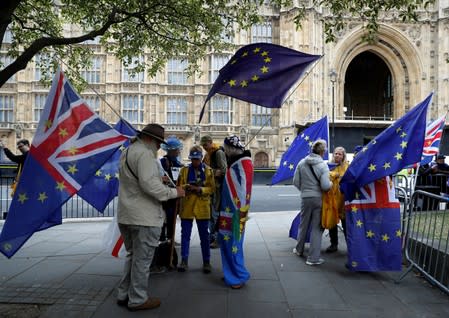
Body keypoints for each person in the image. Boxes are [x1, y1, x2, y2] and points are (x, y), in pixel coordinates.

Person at [116, 123, 185, 311]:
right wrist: (174, 193)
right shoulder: (145, 154)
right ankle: (138, 299)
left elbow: (140, 180)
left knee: (132, 256)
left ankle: (124, 293)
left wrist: (157, 179)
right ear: (150, 139)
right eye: (158, 143)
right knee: (142, 260)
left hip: (127, 214)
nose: (158, 148)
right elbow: (149, 186)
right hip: (144, 217)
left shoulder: (128, 151)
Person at [218, 135, 253, 289]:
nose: (224, 152)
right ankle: (230, 273)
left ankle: (238, 276)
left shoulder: (241, 164)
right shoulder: (239, 162)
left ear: (230, 149)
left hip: (234, 212)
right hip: (230, 212)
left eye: (225, 149)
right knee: (227, 242)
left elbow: (240, 190)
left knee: (233, 243)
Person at [176, 146, 215, 273]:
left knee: (204, 236)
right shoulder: (184, 170)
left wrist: (200, 189)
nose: (195, 162)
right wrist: (186, 187)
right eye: (193, 159)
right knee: (185, 235)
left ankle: (207, 262)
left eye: (197, 159)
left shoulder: (208, 171)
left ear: (201, 158)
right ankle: (184, 260)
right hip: (187, 207)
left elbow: (212, 189)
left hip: (202, 208)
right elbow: (178, 187)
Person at [293, 139, 332, 265]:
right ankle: (313, 258)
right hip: (318, 199)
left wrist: (304, 191)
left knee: (303, 224)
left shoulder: (301, 162)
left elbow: (295, 182)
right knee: (316, 228)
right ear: (323, 151)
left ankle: (299, 250)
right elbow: (326, 186)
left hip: (305, 197)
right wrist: (331, 183)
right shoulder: (323, 165)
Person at [201, 135, 227, 248]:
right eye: (203, 146)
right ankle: (212, 236)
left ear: (211, 142)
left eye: (205, 145)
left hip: (218, 188)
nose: (204, 147)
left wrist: (213, 172)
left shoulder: (218, 153)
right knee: (210, 214)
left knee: (216, 214)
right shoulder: (208, 154)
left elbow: (224, 170)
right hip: (210, 187)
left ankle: (217, 238)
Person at [159, 136, 184, 243]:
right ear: (171, 150)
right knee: (165, 217)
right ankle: (162, 238)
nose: (179, 152)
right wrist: (162, 179)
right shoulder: (162, 162)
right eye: (177, 150)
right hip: (166, 194)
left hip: (176, 193)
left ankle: (171, 237)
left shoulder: (178, 163)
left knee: (172, 218)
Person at [325, 146, 349, 253]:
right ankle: (333, 244)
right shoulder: (328, 167)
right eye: (336, 153)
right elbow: (326, 177)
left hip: (343, 199)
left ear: (343, 156)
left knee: (346, 224)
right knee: (332, 223)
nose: (337, 156)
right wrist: (334, 174)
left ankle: (351, 245)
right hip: (332, 199)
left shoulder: (347, 166)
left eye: (340, 154)